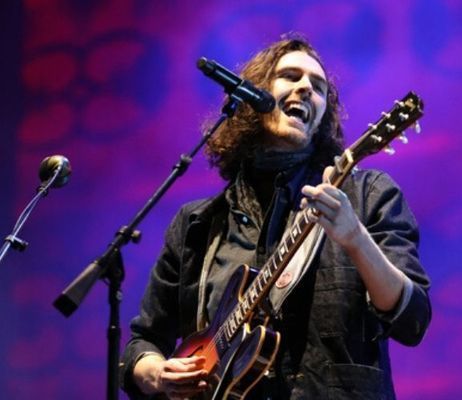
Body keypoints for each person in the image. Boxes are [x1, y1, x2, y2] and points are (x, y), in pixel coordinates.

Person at [120, 35, 431, 400]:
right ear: (255, 96)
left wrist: (356, 239)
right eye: (290, 76)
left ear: (322, 117)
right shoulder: (197, 225)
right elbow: (142, 342)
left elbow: (413, 319)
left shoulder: (367, 195)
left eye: (318, 86)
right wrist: (156, 373)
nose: (305, 88)